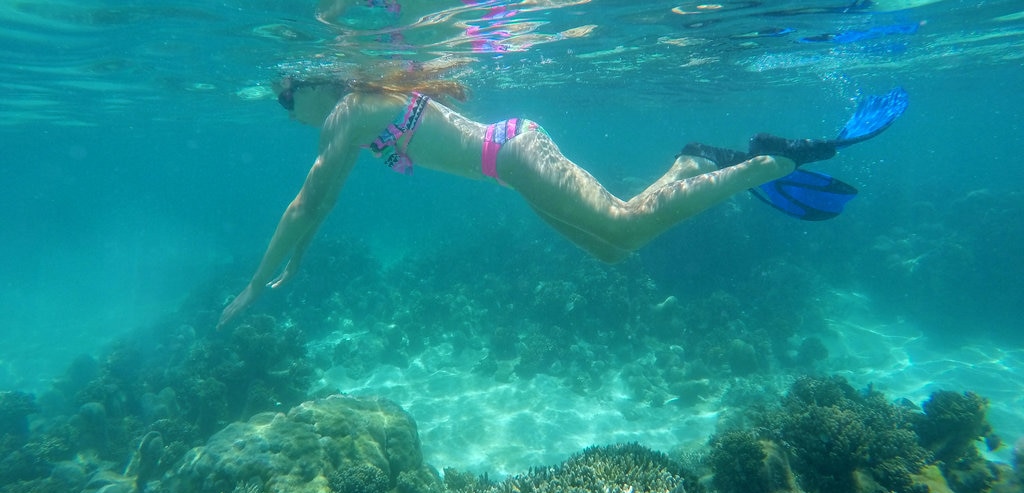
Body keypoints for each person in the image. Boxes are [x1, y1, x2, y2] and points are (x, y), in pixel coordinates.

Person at [218, 75, 901, 328]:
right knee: (609, 249)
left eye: (287, 98)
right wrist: (297, 263)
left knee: (626, 228)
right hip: (511, 165)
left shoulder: (347, 112)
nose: (287, 110)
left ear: (315, 84)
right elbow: (319, 202)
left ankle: (773, 159)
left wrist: (256, 285)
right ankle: (696, 158)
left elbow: (309, 205)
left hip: (514, 155)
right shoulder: (355, 113)